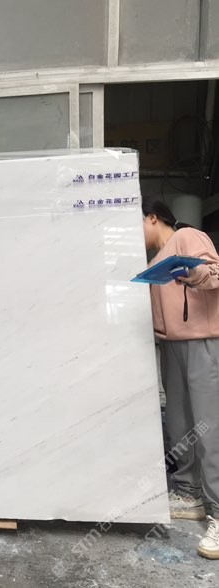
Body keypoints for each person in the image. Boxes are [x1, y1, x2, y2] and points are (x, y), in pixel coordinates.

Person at [142, 198, 219, 559]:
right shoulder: (154, 259)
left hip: (202, 341)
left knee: (209, 426)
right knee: (179, 422)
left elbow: (215, 273)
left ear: (151, 217)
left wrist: (196, 274)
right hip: (170, 344)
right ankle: (190, 495)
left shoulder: (188, 237)